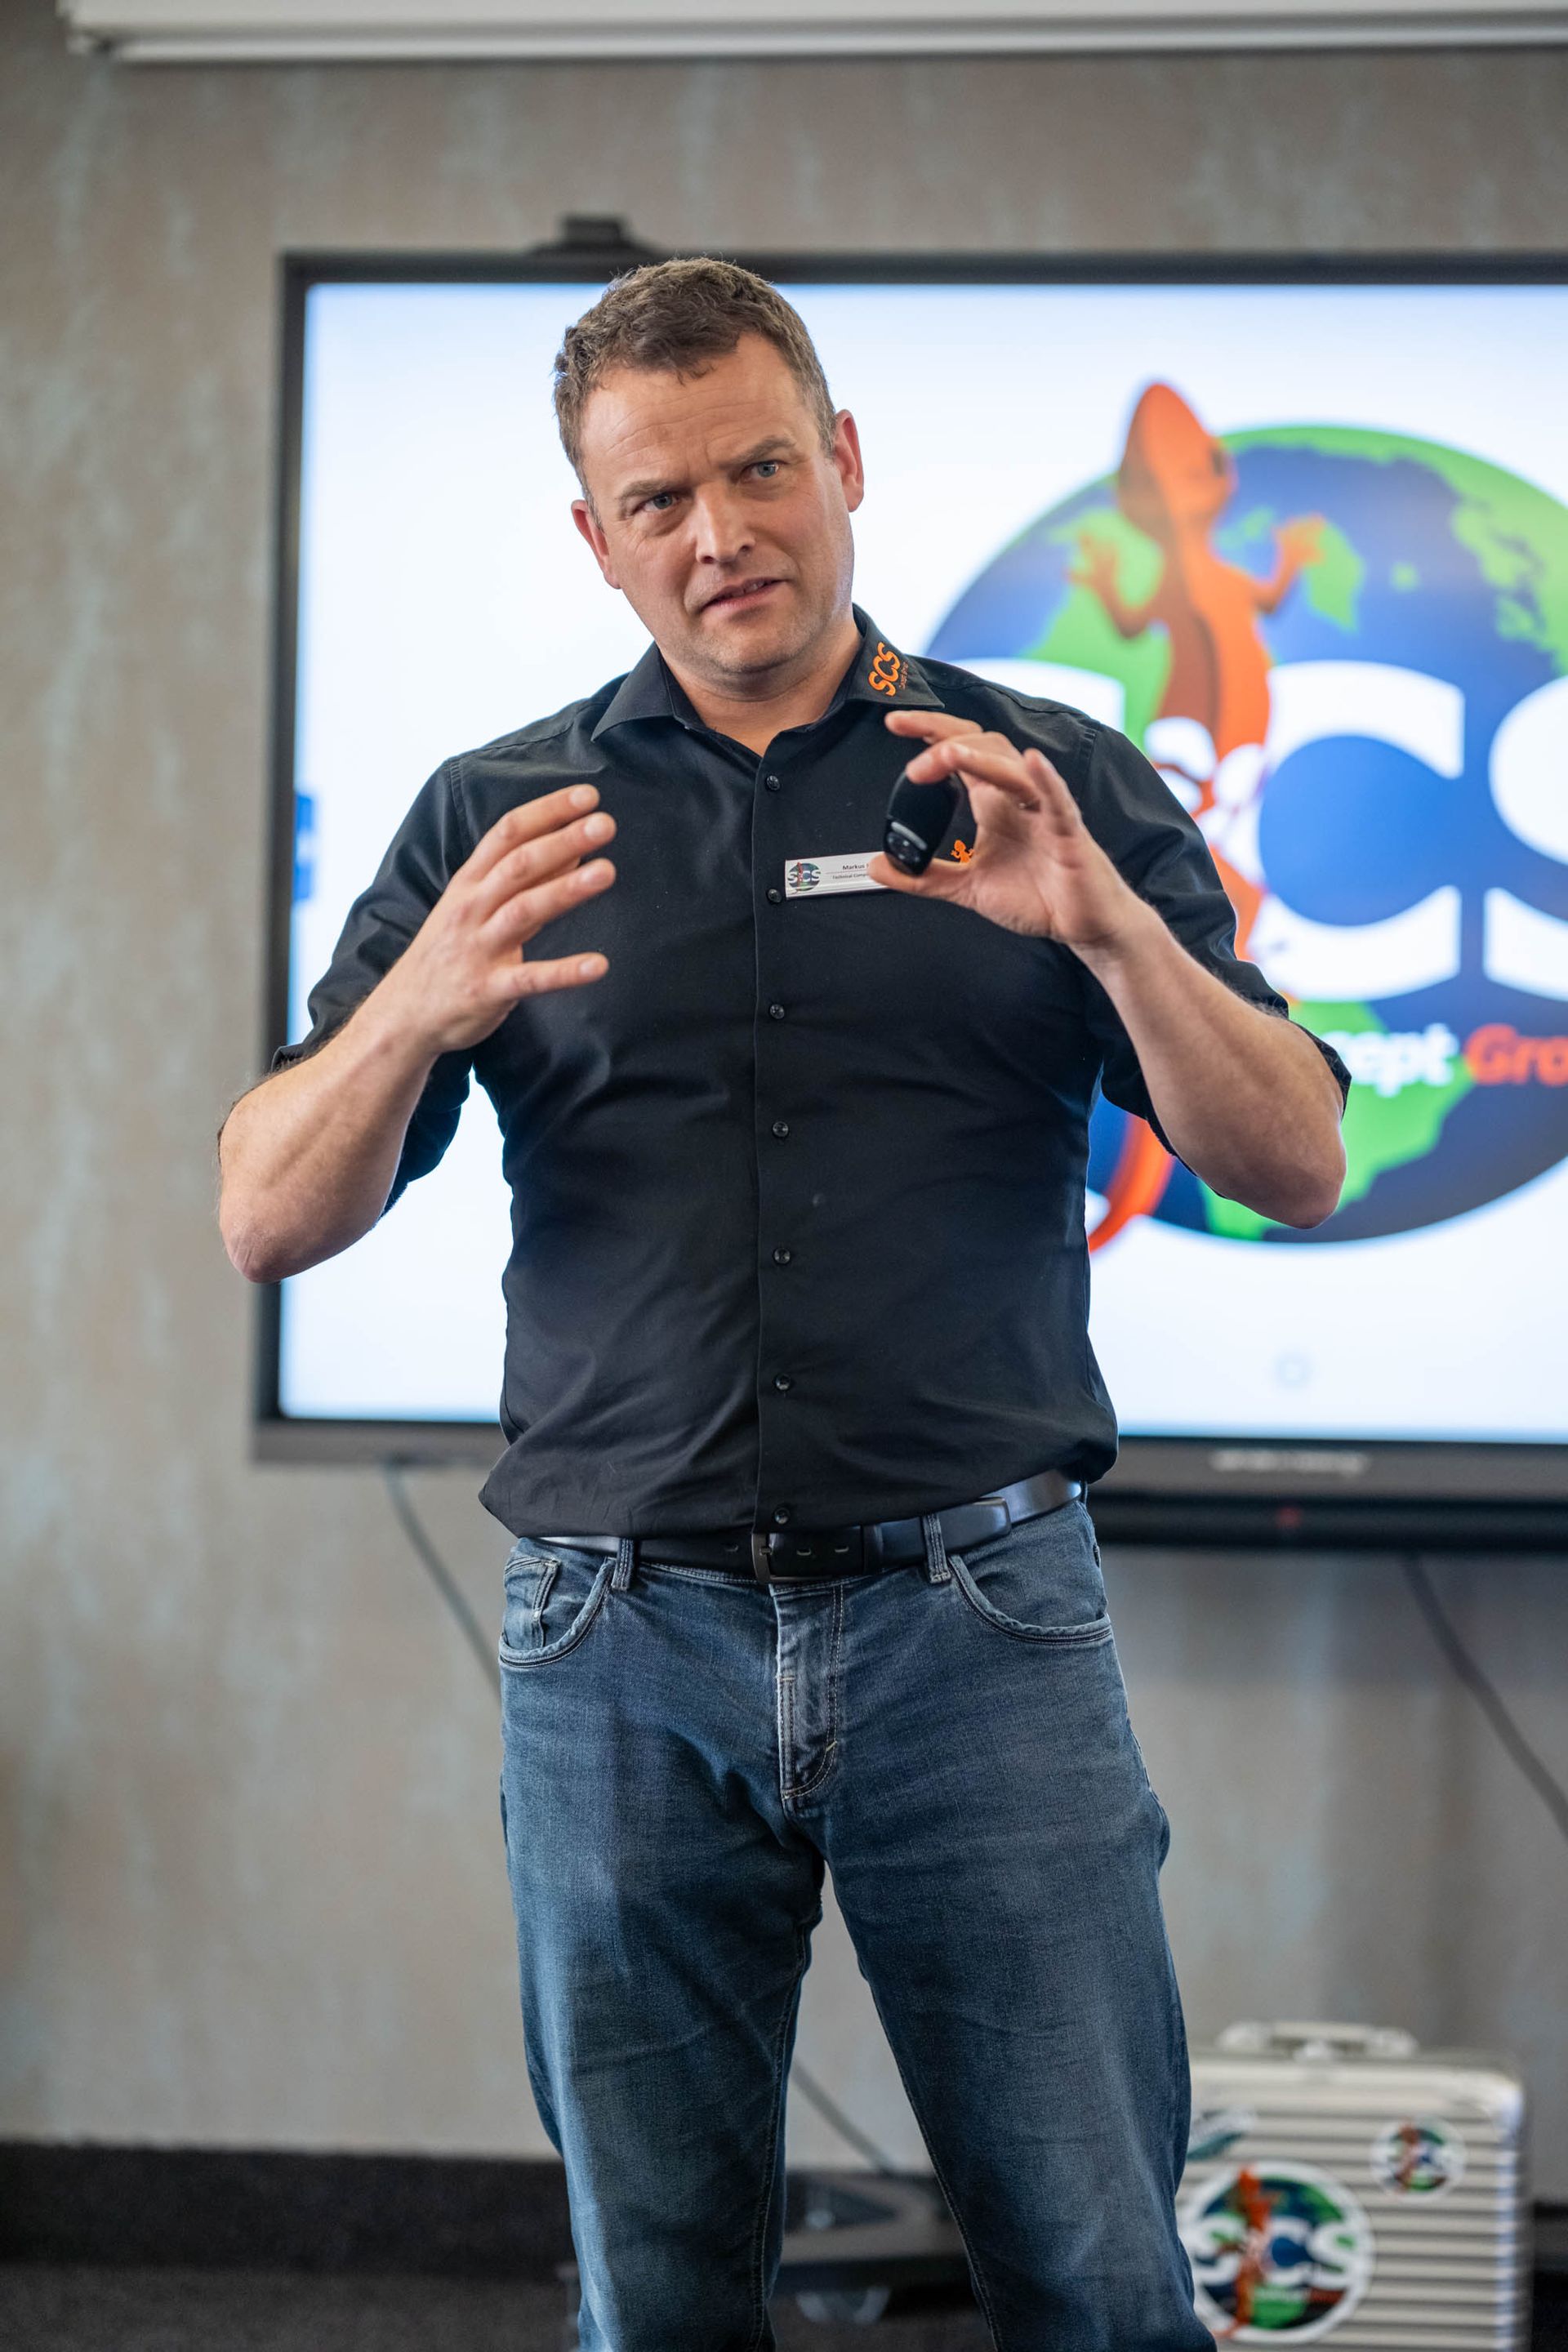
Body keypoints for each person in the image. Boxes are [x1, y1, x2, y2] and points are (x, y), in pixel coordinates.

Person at [217, 258, 1349, 2352]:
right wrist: (416, 1010)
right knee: (655, 2301)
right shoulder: (498, 820)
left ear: (842, 462)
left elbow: (1296, 1161)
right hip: (613, 1646)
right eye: (658, 500)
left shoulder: (1044, 776)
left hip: (980, 1628)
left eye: (757, 470)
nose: (719, 533)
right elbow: (265, 1218)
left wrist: (1110, 931)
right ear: (596, 537)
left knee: (1101, 2280)